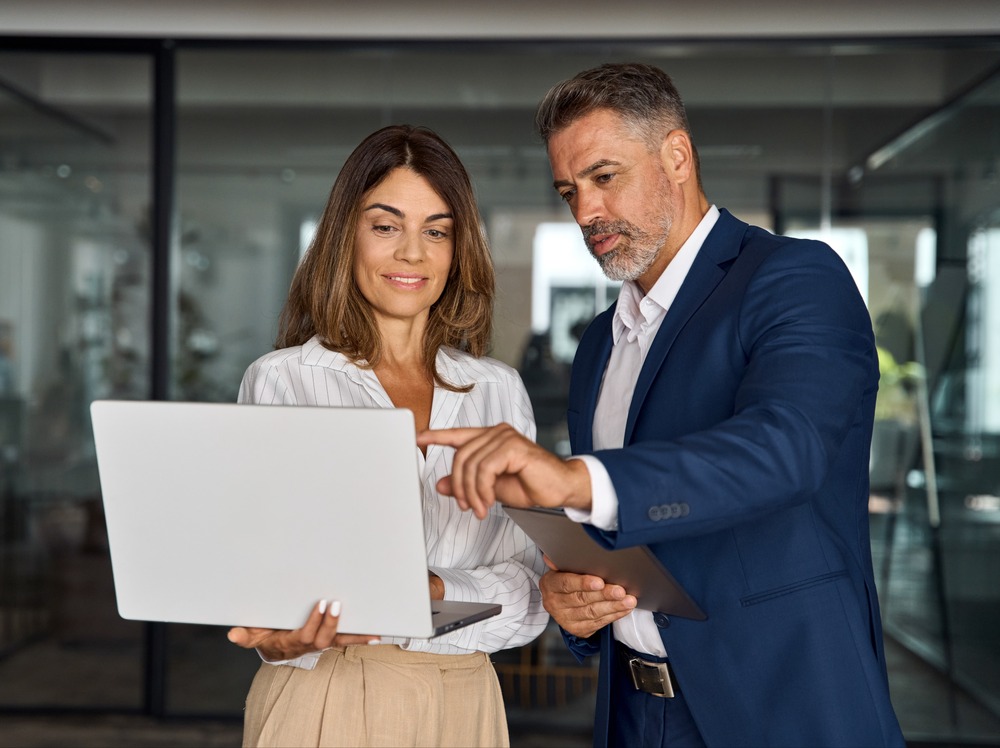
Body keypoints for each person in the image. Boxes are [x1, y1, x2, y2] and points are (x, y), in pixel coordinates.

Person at [419, 63, 906, 747]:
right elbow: (618, 542)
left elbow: (785, 449)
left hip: (786, 710)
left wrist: (574, 479)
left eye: (604, 177)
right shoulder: (598, 343)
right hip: (635, 714)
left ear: (676, 156)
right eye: (568, 191)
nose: (585, 211)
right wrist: (576, 608)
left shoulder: (794, 277)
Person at [227, 124, 549, 748]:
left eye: (436, 231)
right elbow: (258, 581)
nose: (412, 253)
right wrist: (279, 638)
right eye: (385, 226)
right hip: (323, 694)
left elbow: (531, 596)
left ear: (458, 250)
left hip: (465, 702)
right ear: (345, 236)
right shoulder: (283, 381)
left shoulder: (498, 391)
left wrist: (432, 591)